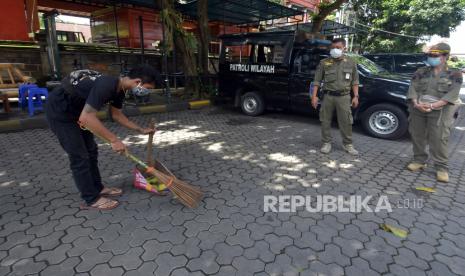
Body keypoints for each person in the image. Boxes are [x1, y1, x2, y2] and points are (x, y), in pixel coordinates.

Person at [46, 65, 159, 210]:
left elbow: (116, 115)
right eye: (148, 88)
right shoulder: (106, 85)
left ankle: (98, 188)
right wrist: (114, 140)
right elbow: (87, 117)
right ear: (138, 82)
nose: (146, 91)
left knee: (91, 151)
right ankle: (91, 198)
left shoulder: (120, 90)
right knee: (80, 156)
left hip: (79, 113)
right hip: (61, 113)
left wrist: (140, 129)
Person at [406, 43, 462, 182]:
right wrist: (416, 104)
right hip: (419, 108)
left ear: (445, 56)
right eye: (430, 55)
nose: (431, 58)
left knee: (439, 139)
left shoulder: (455, 74)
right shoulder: (421, 71)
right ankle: (419, 160)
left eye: (435, 55)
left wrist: (432, 105)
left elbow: (452, 94)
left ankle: (441, 167)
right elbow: (412, 88)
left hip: (441, 111)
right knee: (417, 135)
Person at [311, 38, 360, 155]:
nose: (334, 50)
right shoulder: (324, 63)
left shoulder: (351, 62)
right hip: (328, 96)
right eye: (333, 48)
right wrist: (314, 96)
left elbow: (355, 82)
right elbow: (316, 81)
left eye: (338, 48)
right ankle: (326, 143)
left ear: (344, 48)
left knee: (346, 121)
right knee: (325, 120)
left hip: (344, 97)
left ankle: (348, 144)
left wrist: (356, 96)